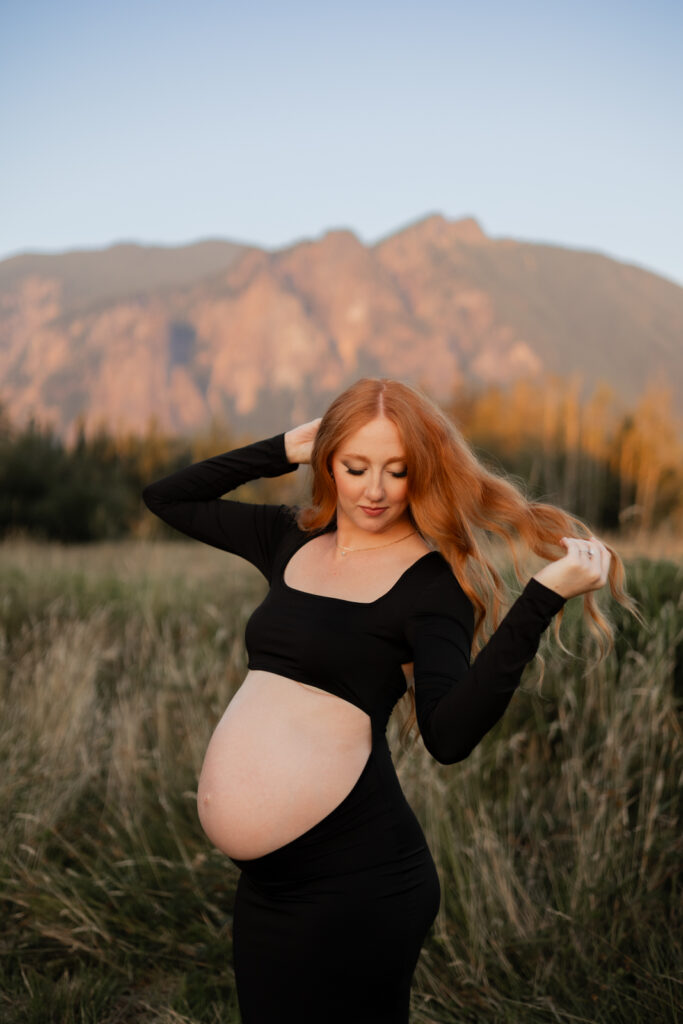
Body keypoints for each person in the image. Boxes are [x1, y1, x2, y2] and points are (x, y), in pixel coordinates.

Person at [141, 377, 636, 1024]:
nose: (373, 490)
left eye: (396, 471)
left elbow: (448, 737)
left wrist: (541, 598)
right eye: (355, 467)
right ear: (327, 463)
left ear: (420, 472)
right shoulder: (291, 536)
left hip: (358, 880)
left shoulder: (432, 587)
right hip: (268, 886)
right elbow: (166, 497)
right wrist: (280, 449)